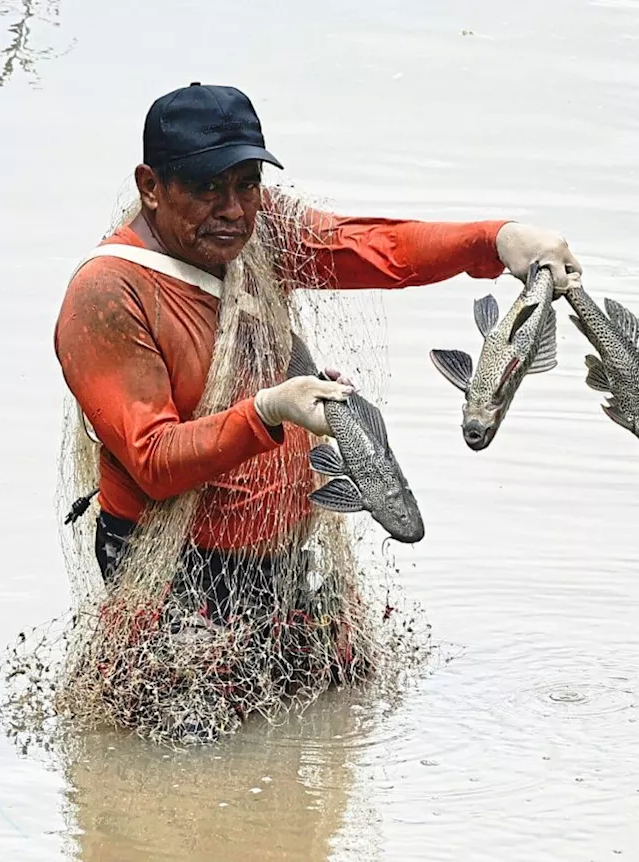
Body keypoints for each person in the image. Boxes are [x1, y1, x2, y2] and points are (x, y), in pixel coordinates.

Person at [53, 82, 582, 605]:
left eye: (247, 183)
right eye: (206, 187)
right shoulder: (108, 294)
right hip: (175, 570)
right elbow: (155, 461)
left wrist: (497, 239)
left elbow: (379, 248)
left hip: (286, 556)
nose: (233, 209)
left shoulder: (263, 230)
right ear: (151, 187)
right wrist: (270, 409)